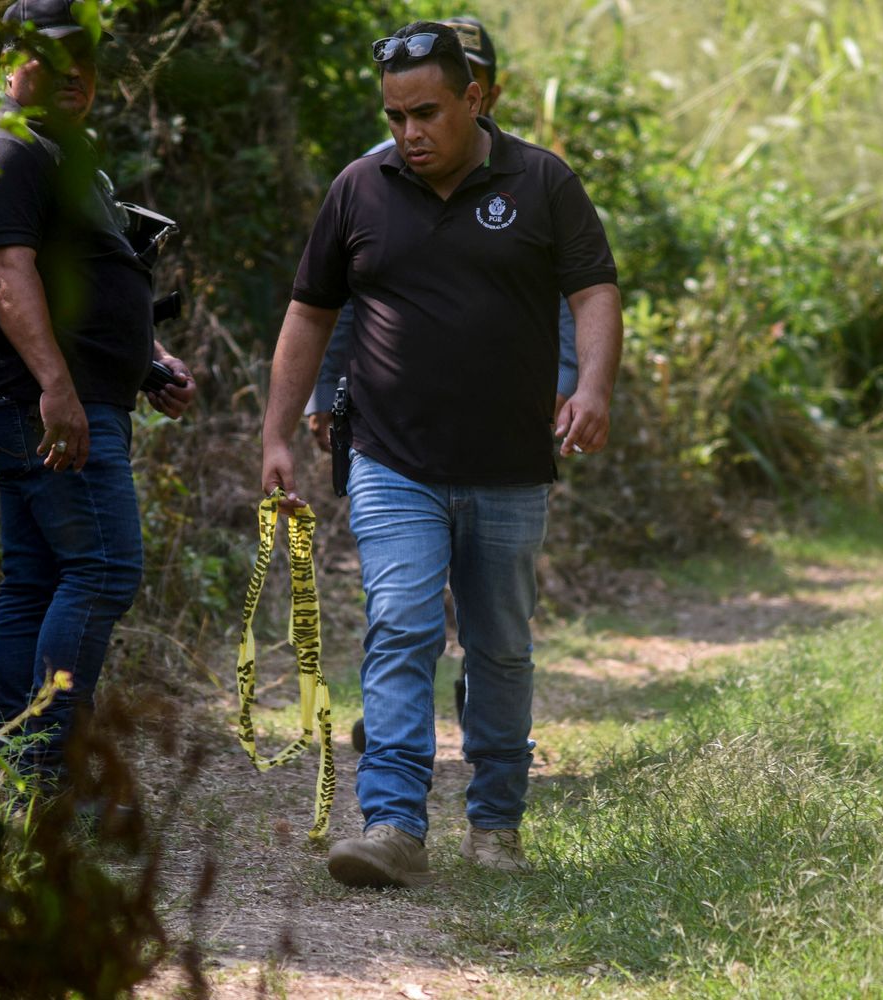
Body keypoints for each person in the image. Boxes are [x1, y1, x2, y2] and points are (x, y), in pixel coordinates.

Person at [260, 21, 622, 887]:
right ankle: (392, 824)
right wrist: (276, 429)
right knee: (401, 626)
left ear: (476, 97)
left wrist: (595, 387)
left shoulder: (542, 182)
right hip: (392, 460)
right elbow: (309, 314)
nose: (409, 133)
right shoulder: (360, 188)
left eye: (426, 112)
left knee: (498, 645)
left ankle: (496, 824)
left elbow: (594, 290)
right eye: (394, 116)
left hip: (508, 466)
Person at [0, 0, 196, 783]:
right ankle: (49, 770)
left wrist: (147, 359)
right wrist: (58, 387)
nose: (75, 76)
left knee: (38, 576)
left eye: (86, 62)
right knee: (104, 569)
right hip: (46, 402)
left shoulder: (53, 153)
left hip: (60, 396)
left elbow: (79, 280)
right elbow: (7, 272)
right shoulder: (10, 149)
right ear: (11, 62)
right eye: (54, 60)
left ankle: (23, 770)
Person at [303, 16, 578, 452]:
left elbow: (562, 291)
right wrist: (324, 388)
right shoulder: (372, 178)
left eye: (474, 77)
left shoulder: (530, 177)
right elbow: (345, 295)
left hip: (501, 430)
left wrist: (566, 378)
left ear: (483, 94)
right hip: (390, 434)